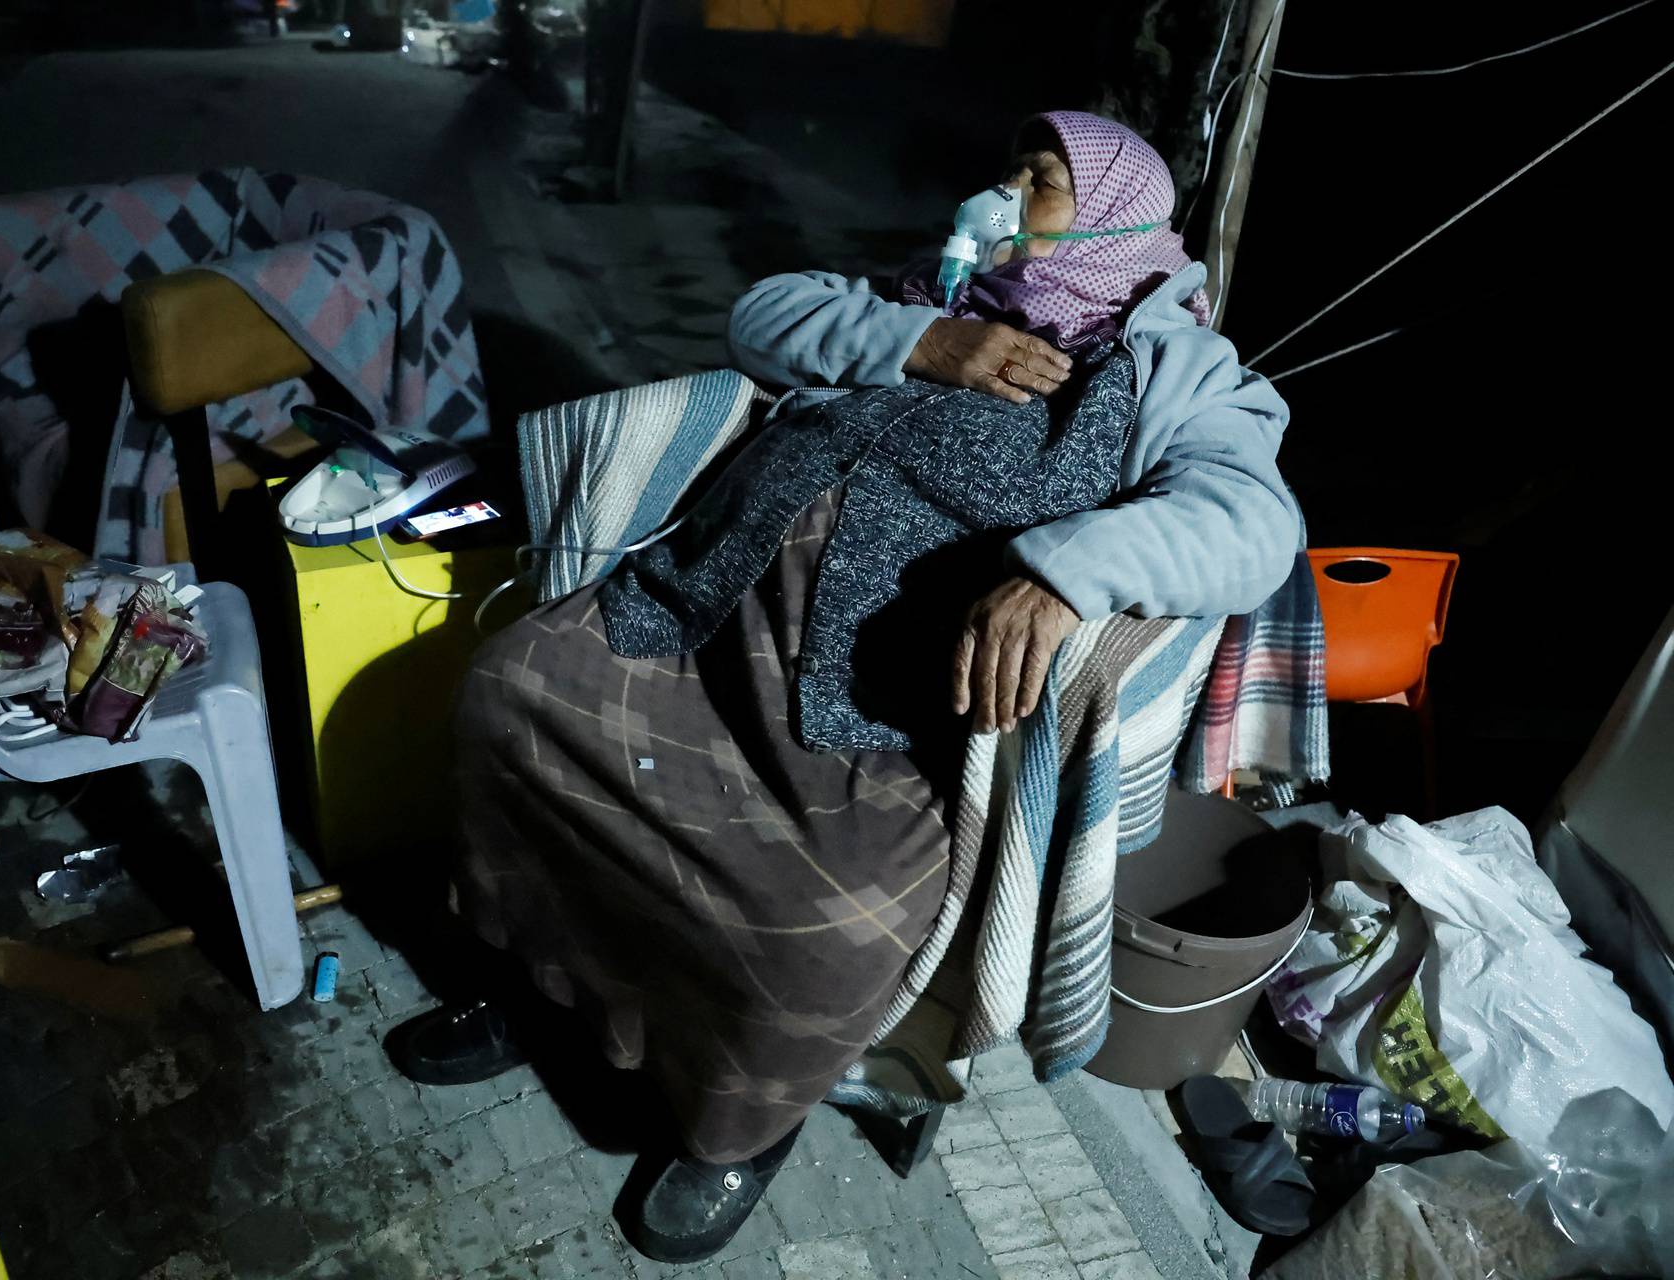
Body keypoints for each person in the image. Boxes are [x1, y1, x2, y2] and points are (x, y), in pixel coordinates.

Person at [389, 109, 1300, 1262]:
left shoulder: (1174, 362)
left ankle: (735, 1126)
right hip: (705, 615)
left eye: (1044, 179)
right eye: (1008, 163)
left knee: (821, 929)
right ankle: (532, 985)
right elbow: (762, 317)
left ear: (1117, 214)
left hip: (874, 717)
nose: (1008, 188)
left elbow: (1256, 522)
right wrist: (921, 341)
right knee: (515, 694)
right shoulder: (942, 290)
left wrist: (1070, 574)